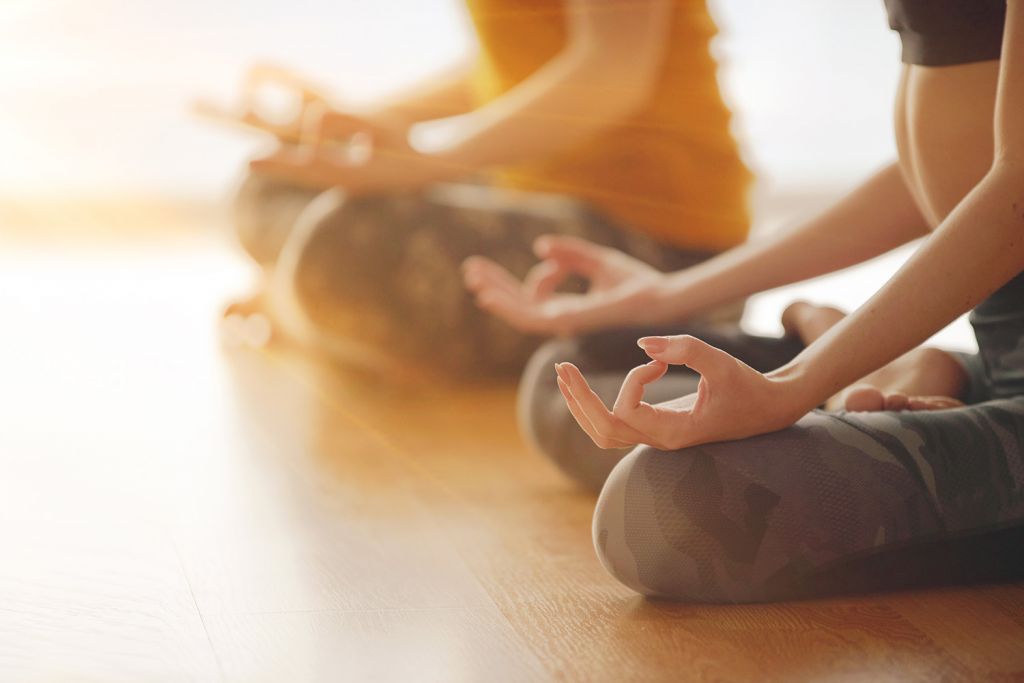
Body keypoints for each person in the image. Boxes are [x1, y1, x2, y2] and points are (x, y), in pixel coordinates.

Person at [467, 0, 1024, 601]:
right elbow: (949, 168)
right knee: (576, 372)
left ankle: (887, 370)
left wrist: (796, 384)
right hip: (1002, 356)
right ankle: (925, 370)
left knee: (662, 513)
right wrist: (668, 294)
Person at [226, 0, 751, 379]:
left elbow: (610, 71)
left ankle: (299, 302)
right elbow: (505, 68)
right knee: (273, 180)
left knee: (341, 240)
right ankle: (318, 308)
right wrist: (363, 123)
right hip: (531, 188)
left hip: (661, 248)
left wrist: (428, 163)